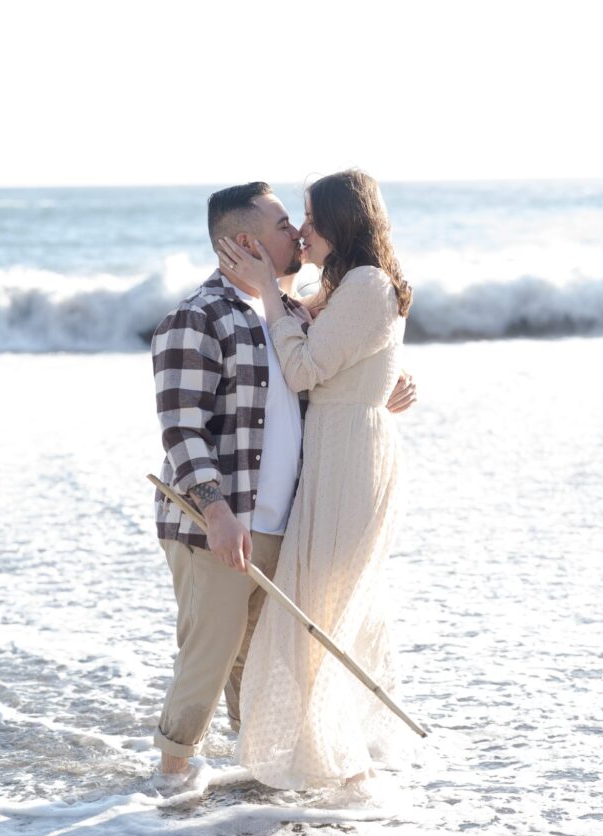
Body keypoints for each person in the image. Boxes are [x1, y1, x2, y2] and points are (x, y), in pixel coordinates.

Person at [151, 181, 416, 777]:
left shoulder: (291, 313)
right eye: (281, 225)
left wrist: (389, 381)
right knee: (209, 657)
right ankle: (167, 787)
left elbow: (341, 362)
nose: (297, 232)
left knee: (263, 661)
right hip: (215, 523)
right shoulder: (196, 318)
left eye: (300, 222)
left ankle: (254, 779)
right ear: (245, 242)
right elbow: (181, 428)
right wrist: (215, 513)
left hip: (288, 523)